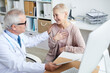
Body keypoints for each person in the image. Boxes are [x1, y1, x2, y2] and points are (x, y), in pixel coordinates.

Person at [0, 9, 60, 73]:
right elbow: (17, 65)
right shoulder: (2, 43)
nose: (27, 25)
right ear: (14, 27)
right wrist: (44, 66)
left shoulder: (19, 35)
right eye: (25, 23)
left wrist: (47, 33)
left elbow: (31, 41)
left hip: (21, 69)